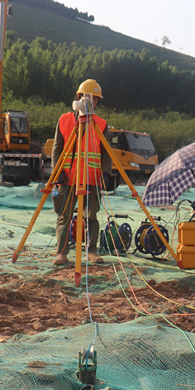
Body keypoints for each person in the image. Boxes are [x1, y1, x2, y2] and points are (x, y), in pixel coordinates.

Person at [51, 79, 112, 266]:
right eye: (88, 97)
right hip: (68, 179)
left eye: (95, 99)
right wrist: (57, 172)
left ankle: (92, 251)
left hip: (91, 179)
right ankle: (62, 253)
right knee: (64, 216)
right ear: (79, 98)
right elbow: (56, 149)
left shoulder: (100, 124)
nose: (91, 102)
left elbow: (106, 153)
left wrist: (106, 174)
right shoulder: (65, 120)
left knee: (91, 216)